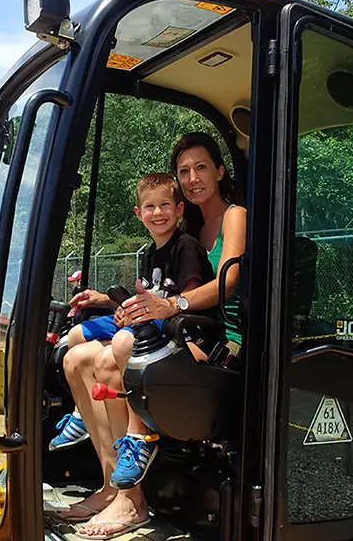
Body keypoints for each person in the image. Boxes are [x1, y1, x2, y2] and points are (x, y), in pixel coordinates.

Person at [67, 134, 247, 540]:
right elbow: (160, 288)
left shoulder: (235, 215)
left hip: (222, 343)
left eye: (201, 167)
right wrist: (108, 300)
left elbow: (229, 282)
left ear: (219, 171)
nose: (193, 177)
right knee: (76, 359)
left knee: (113, 359)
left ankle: (133, 500)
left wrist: (174, 306)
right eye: (184, 171)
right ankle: (111, 485)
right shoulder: (188, 227)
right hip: (179, 331)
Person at [56, 173, 214, 534]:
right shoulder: (150, 254)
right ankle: (111, 485)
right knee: (74, 353)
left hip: (182, 336)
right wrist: (121, 309)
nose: (158, 213)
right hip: (152, 328)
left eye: (164, 206)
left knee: (117, 350)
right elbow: (148, 301)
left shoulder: (186, 245)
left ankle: (137, 444)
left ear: (178, 209)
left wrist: (144, 315)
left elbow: (182, 303)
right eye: (150, 207)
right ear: (138, 212)